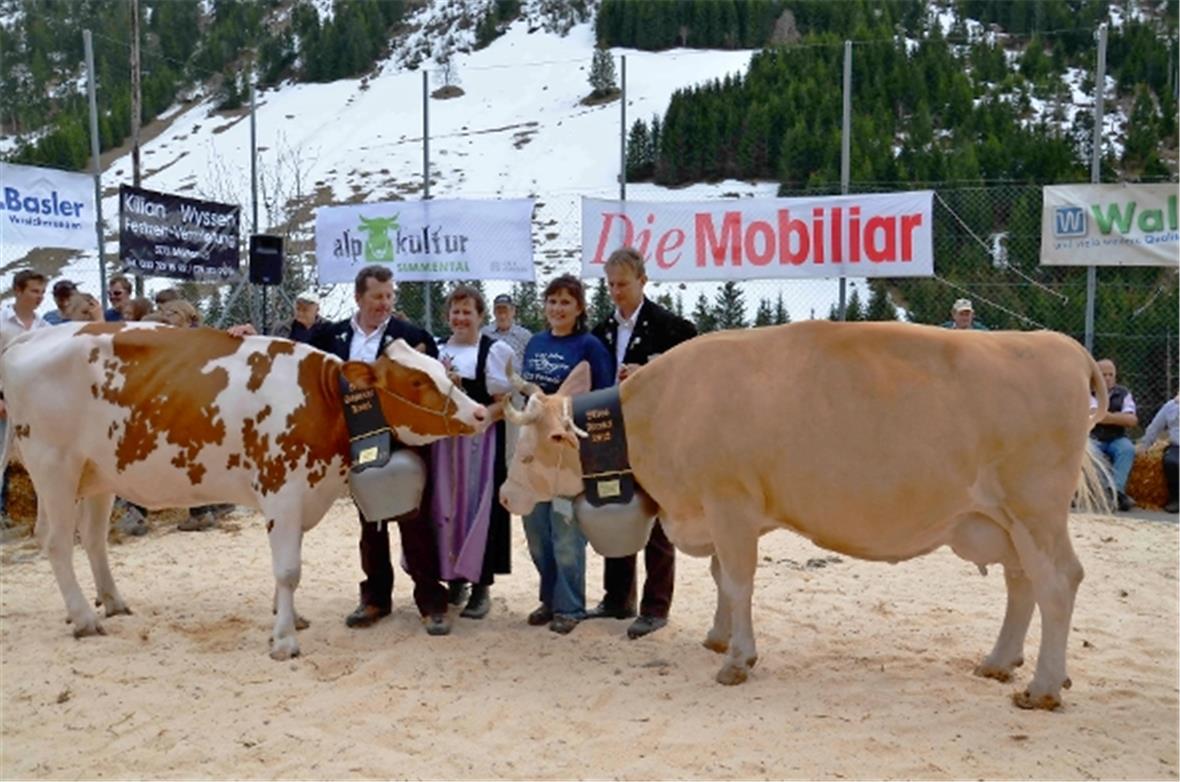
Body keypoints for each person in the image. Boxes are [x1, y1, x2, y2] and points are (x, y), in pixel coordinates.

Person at [277, 265, 452, 635]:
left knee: (414, 519)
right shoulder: (332, 335)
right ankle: (375, 598)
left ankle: (431, 601)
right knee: (370, 521)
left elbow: (432, 381)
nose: (384, 304)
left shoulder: (411, 336)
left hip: (403, 439)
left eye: (390, 296)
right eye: (377, 297)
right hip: (356, 442)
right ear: (359, 297)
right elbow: (298, 359)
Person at [587, 246, 697, 639]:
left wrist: (647, 371)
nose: (616, 292)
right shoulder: (599, 332)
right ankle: (617, 598)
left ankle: (655, 605)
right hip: (613, 433)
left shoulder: (673, 328)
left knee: (654, 516)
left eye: (623, 284)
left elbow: (690, 375)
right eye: (610, 284)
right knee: (615, 508)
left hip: (657, 436)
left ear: (643, 281)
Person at [519, 274, 613, 635]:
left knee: (565, 530)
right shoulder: (535, 342)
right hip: (535, 450)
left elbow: (602, 397)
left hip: (569, 452)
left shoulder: (590, 346)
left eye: (566, 302)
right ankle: (550, 598)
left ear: (580, 308)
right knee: (536, 528)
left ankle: (571, 605)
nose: (557, 308)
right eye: (552, 301)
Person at [431, 285, 514, 620]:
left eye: (468, 311)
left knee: (479, 508)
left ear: (481, 316)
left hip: (481, 445)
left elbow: (503, 405)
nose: (461, 317)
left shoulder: (495, 351)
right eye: (456, 311)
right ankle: (453, 579)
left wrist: (478, 420)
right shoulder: (436, 350)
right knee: (446, 507)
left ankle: (481, 587)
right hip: (443, 445)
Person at [1, 270, 50, 527]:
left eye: (42, 292)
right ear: (18, 290)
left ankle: (45, 517)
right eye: (34, 291)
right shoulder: (0, 321)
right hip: (4, 402)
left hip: (35, 406)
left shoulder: (46, 328)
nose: (40, 297)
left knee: (39, 459)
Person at [1091, 358, 1139, 512]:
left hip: (1117, 438)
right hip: (1093, 437)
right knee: (1091, 451)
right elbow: (1089, 415)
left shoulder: (1123, 393)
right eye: (1103, 374)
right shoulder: (1086, 391)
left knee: (1127, 449)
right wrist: (1118, 417)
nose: (1107, 378)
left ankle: (1115, 492)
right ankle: (1099, 492)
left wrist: (1104, 416)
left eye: (1110, 375)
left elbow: (1132, 420)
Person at [1138, 394, 1179, 514]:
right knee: (1171, 462)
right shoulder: (1171, 406)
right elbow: (1155, 427)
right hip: (1177, 446)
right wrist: (1145, 445)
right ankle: (1176, 498)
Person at [481, 293, 532, 370]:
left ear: (513, 311)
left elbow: (530, 362)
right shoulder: (484, 333)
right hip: (490, 380)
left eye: (505, 311)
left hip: (516, 380)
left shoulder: (525, 336)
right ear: (494, 312)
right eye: (499, 311)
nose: (502, 316)